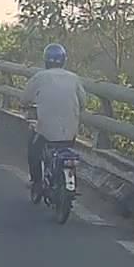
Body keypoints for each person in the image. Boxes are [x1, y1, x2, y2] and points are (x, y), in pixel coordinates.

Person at [22, 43, 87, 191]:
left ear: (46, 60)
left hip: (46, 131)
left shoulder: (40, 77)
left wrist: (27, 106)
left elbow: (25, 99)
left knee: (34, 150)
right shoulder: (74, 78)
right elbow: (83, 103)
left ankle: (36, 181)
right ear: (64, 60)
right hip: (70, 132)